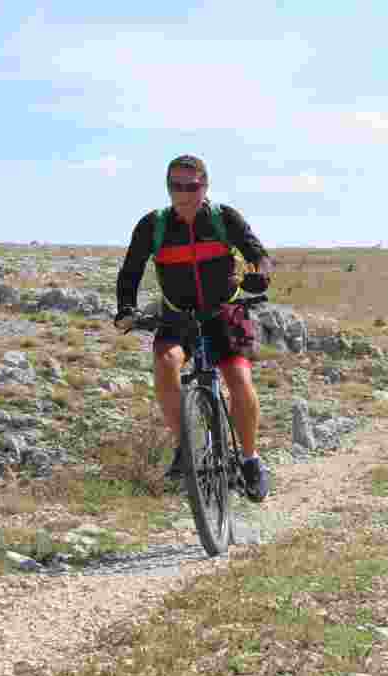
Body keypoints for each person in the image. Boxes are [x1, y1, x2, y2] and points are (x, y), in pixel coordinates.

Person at [114, 154, 273, 503]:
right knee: (166, 363)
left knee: (238, 380)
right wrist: (125, 308)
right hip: (177, 315)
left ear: (205, 186)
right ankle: (186, 447)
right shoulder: (152, 226)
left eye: (191, 186)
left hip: (224, 312)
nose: (183, 193)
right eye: (175, 185)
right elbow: (130, 272)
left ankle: (249, 460)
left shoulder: (223, 219)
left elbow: (258, 253)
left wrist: (260, 274)